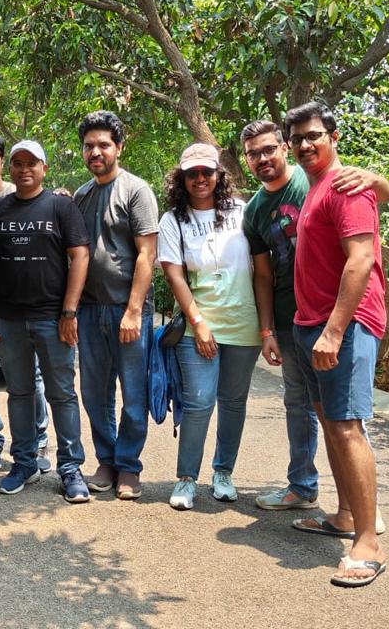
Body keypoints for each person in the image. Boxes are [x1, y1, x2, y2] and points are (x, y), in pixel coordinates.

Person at [242, 120, 389, 526]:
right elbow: (262, 274)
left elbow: (373, 204)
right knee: (311, 409)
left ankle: (365, 516)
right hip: (297, 320)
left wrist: (378, 180)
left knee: (346, 419)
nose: (262, 158)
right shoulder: (257, 209)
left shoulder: (321, 179)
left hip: (338, 317)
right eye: (253, 153)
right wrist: (267, 330)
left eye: (269, 148)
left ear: (283, 149)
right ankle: (311, 491)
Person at [286, 101, 389, 588]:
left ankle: (368, 543)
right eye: (297, 139)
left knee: (347, 427)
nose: (305, 145)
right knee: (331, 423)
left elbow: (361, 258)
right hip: (312, 324)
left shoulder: (347, 186)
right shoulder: (317, 186)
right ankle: (346, 516)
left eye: (314, 135)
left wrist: (333, 330)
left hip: (343, 327)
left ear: (333, 135)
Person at [157, 144, 274, 510]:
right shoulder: (173, 220)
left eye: (206, 172)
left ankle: (223, 472)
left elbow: (263, 272)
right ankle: (186, 479)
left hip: (243, 324)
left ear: (218, 175)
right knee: (198, 401)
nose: (200, 179)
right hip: (199, 326)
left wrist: (266, 329)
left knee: (234, 401)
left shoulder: (243, 212)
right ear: (181, 179)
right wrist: (199, 323)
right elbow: (174, 276)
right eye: (192, 174)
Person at [0, 140, 92, 502]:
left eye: (32, 163)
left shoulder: (61, 206)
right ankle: (23, 464)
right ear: (10, 168)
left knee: (62, 394)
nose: (24, 169)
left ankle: (70, 469)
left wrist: (69, 312)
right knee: (20, 393)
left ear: (44, 168)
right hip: (9, 320)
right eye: (18, 163)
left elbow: (80, 256)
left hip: (53, 320)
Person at [72, 110, 158, 500]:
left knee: (134, 395)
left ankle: (129, 466)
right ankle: (106, 461)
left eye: (104, 144)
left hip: (128, 309)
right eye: (89, 146)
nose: (96, 152)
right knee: (95, 394)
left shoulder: (136, 190)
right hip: (90, 310)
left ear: (119, 147)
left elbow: (146, 254)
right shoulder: (81, 195)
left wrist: (134, 311)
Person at [0, 132, 51, 473]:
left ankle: (38, 439)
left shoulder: (21, 195)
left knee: (31, 377)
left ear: (3, 161)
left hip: (19, 305)